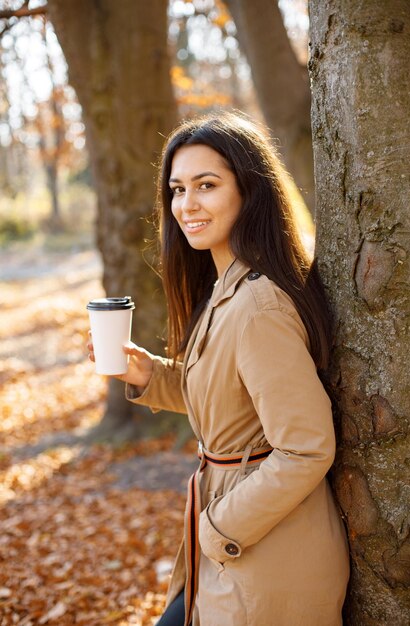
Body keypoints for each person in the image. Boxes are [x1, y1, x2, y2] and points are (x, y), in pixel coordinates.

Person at [87, 111, 350, 626]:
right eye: (178, 189)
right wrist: (151, 375)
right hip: (234, 544)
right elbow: (230, 398)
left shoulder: (258, 306)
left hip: (267, 553)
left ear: (249, 191)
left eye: (206, 185)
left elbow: (307, 445)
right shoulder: (228, 288)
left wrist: (218, 527)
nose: (187, 205)